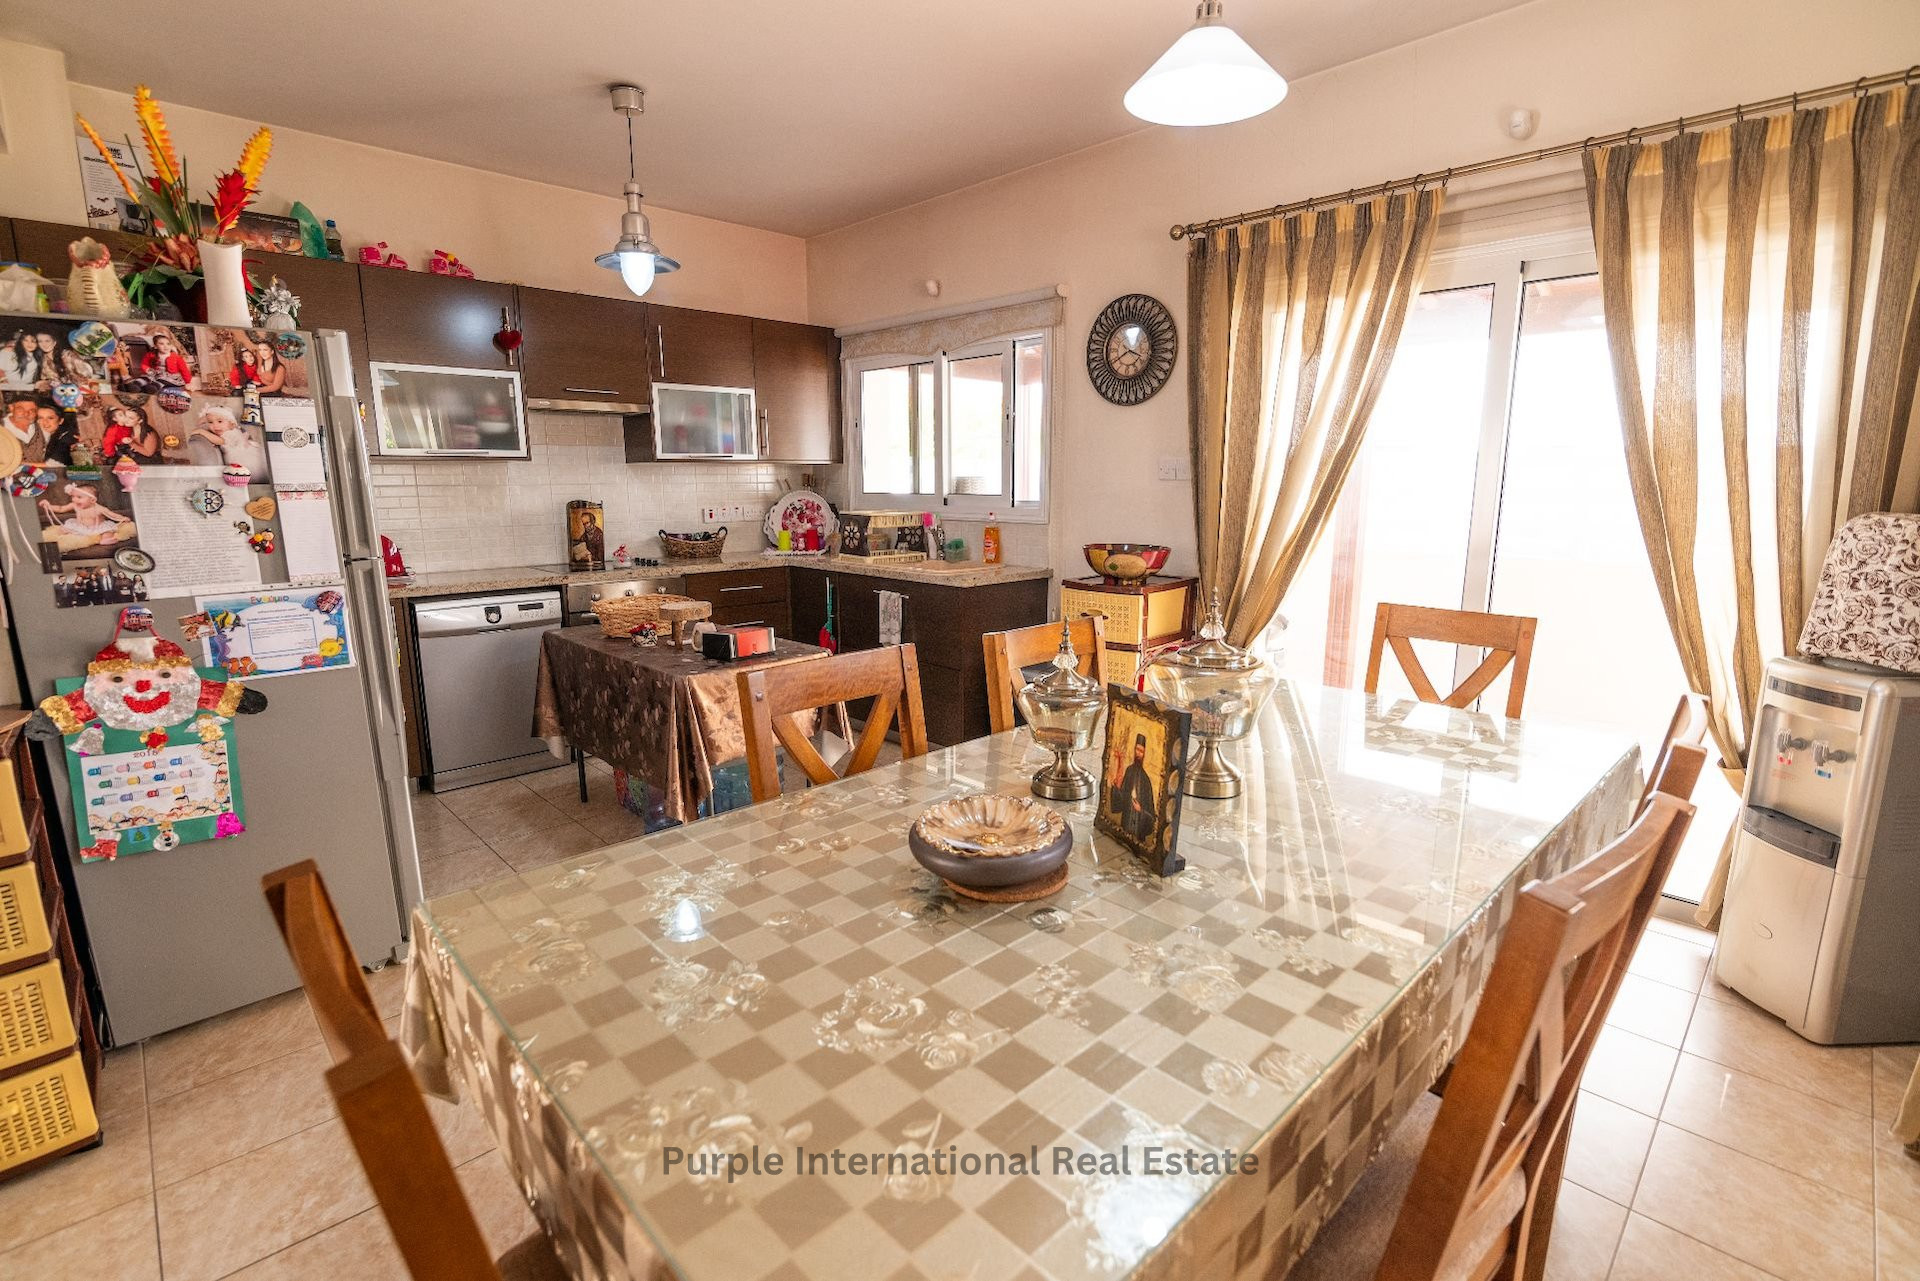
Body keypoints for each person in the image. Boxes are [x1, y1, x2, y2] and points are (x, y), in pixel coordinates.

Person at [39, 481, 134, 550]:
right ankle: (63, 538)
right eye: (73, 496)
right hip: (81, 526)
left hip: (97, 527)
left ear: (92, 500)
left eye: (79, 497)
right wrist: (49, 506)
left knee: (107, 532)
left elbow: (112, 515)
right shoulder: (74, 505)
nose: (74, 500)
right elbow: (61, 508)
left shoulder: (99, 508)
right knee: (62, 529)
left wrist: (123, 518)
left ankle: (107, 539)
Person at [1110, 732, 1158, 847]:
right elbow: (1121, 800)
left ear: (1144, 753)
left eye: (1141, 751)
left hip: (1139, 830)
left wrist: (1140, 810)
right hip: (1126, 822)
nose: (1138, 753)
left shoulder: (1146, 780)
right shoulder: (1129, 771)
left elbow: (1151, 816)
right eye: (1137, 749)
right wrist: (1116, 788)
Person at [2, 396, 48, 462]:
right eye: (20, 409)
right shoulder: (2, 428)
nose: (26, 414)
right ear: (11, 407)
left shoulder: (42, 427)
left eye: (32, 410)